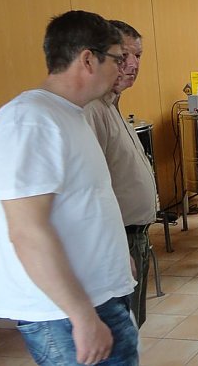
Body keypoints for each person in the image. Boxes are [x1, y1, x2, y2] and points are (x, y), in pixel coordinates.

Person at [0, 10, 139, 365]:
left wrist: (116, 257)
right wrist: (82, 316)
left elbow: (84, 203)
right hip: (64, 314)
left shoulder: (71, 114)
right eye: (118, 58)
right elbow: (27, 231)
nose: (125, 67)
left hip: (98, 298)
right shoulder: (30, 120)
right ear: (87, 59)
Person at [83, 20, 157, 328]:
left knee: (131, 326)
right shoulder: (91, 109)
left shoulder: (110, 104)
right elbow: (90, 189)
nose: (132, 65)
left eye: (138, 56)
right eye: (123, 56)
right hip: (118, 238)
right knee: (120, 332)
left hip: (132, 236)